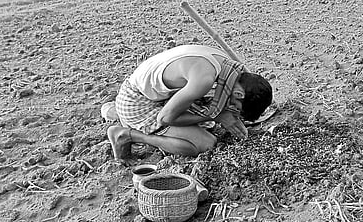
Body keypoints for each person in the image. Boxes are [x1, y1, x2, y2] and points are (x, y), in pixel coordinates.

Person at [106, 45, 273, 164]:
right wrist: (216, 115)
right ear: (239, 94)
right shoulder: (204, 80)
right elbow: (165, 118)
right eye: (236, 108)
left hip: (161, 96)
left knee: (207, 125)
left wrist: (220, 114)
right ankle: (128, 135)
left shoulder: (229, 68)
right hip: (137, 101)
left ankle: (114, 114)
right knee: (205, 144)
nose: (233, 111)